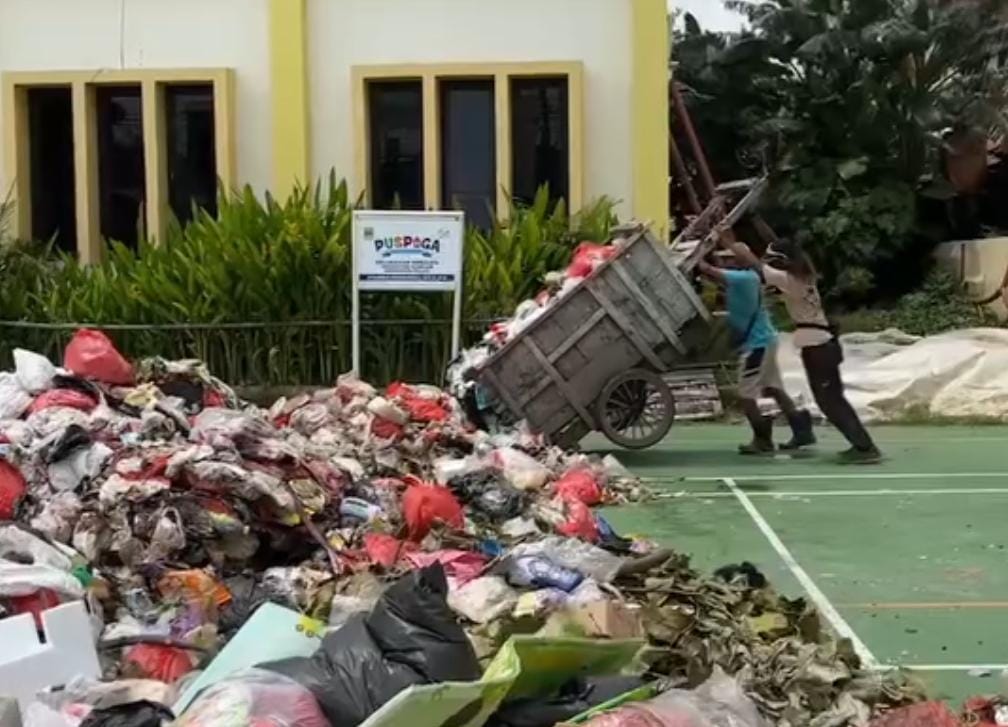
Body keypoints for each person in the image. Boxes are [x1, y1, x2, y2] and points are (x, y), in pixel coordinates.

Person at [722, 233, 882, 464]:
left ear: (784, 261)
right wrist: (750, 225)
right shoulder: (804, 275)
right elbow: (780, 248)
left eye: (775, 260)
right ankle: (862, 445)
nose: (771, 264)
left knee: (830, 401)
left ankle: (865, 448)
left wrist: (725, 240)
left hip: (817, 347)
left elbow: (752, 263)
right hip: (822, 344)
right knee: (833, 399)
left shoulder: (790, 280)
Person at [697, 246, 815, 455]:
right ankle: (801, 431)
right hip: (766, 340)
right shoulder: (748, 277)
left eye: (730, 259)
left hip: (757, 345)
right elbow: (717, 273)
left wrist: (697, 257)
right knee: (774, 388)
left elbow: (708, 269)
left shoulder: (741, 279)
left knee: (745, 394)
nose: (726, 262)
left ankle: (762, 440)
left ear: (739, 261)